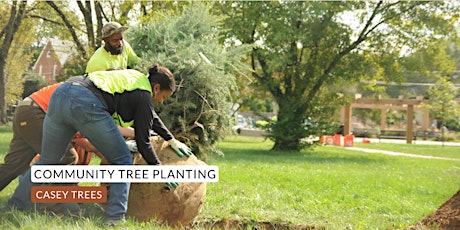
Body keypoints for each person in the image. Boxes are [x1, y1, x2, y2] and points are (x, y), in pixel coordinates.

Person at [7, 65, 192, 226]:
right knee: (122, 160)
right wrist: (159, 170)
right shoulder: (144, 94)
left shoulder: (134, 79)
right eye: (164, 96)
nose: (161, 101)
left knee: (48, 161)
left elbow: (150, 117)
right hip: (84, 102)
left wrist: (170, 138)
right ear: (157, 87)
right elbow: (143, 142)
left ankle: (14, 207)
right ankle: (115, 219)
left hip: (61, 95)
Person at [0, 83, 78, 192]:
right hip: (36, 112)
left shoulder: (84, 85)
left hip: (26, 109)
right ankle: (57, 206)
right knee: (66, 157)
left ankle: (20, 203)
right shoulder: (91, 91)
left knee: (14, 164)